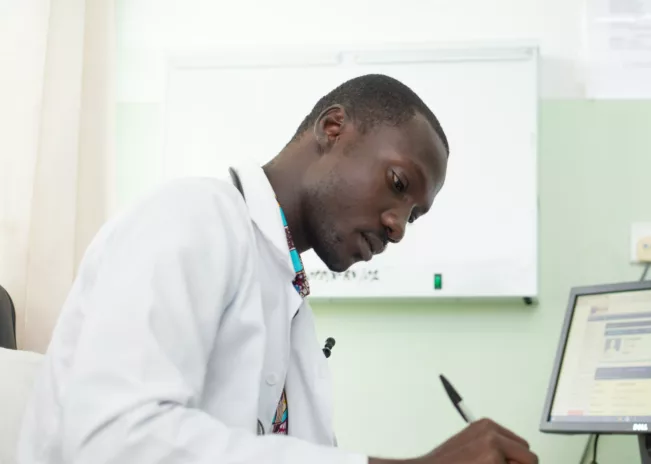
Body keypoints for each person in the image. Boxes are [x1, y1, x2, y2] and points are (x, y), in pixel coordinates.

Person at [17, 74, 538, 464]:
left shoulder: (284, 291)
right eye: (399, 185)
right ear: (333, 129)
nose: (399, 227)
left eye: (415, 216)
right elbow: (112, 439)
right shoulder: (194, 216)